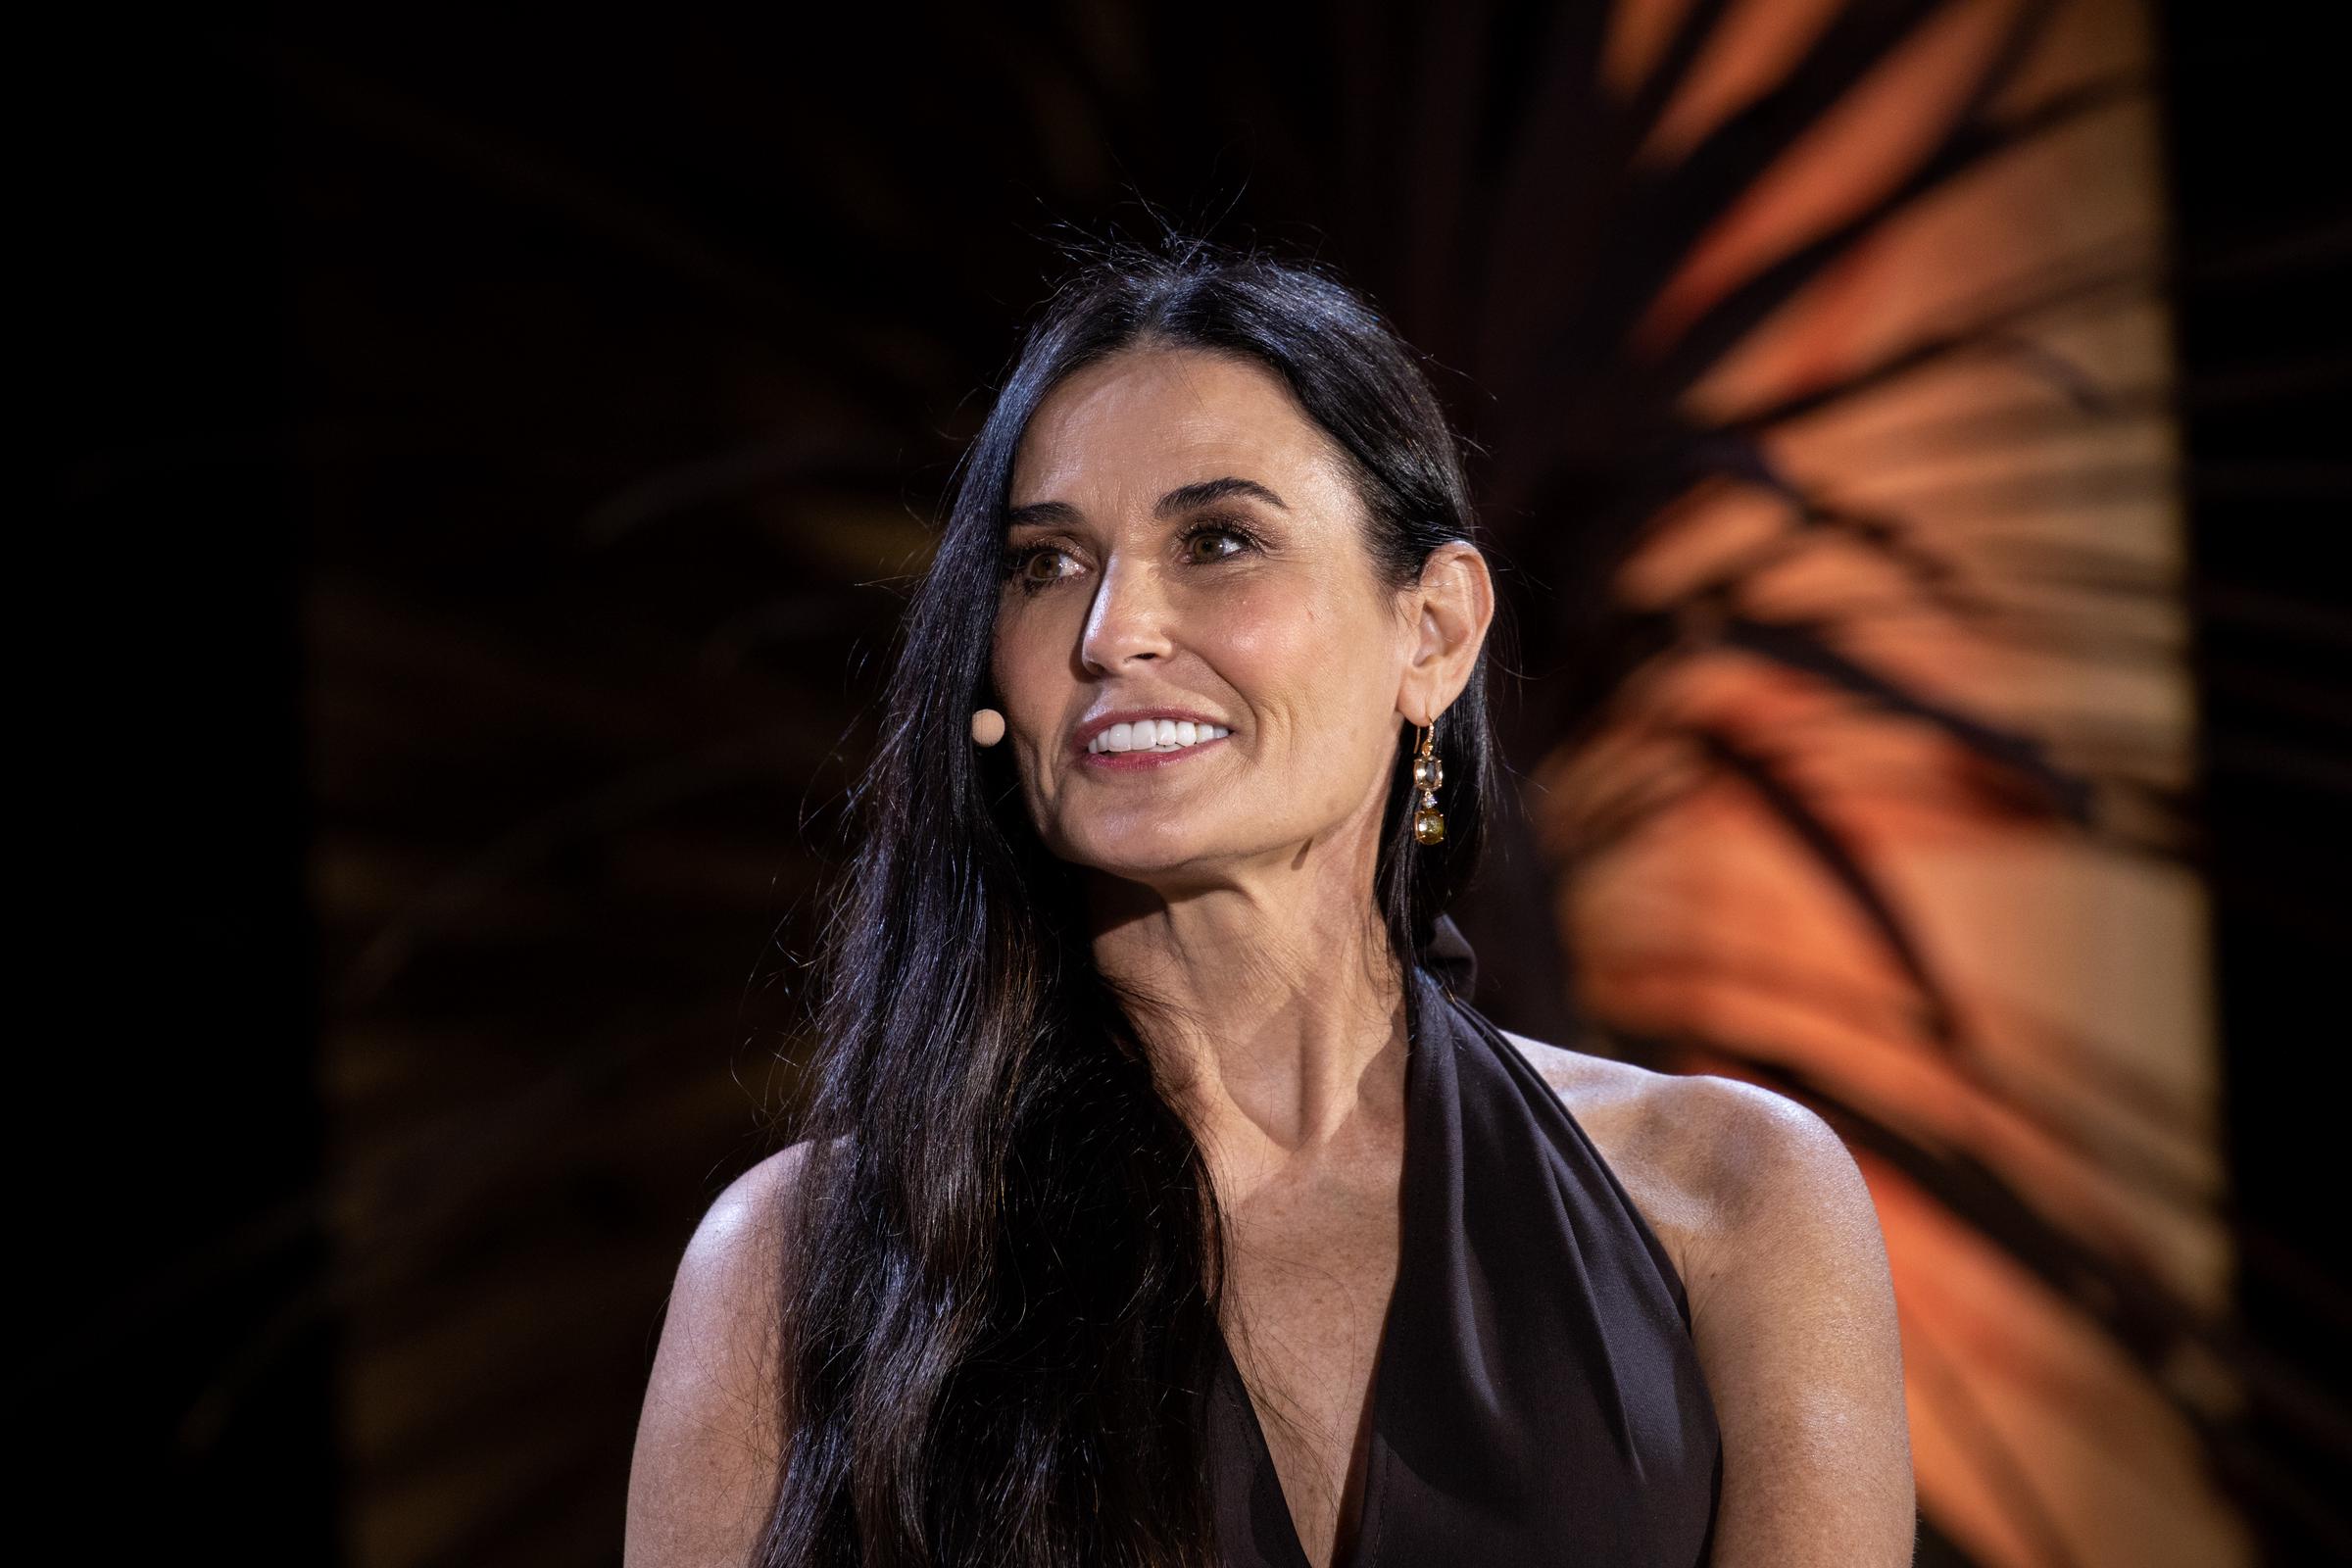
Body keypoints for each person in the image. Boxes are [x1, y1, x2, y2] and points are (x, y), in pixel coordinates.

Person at [624, 239, 1914, 1568]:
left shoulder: (1730, 1202)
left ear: (1435, 635)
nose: (1112, 631)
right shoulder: (792, 1273)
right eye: (1045, 562)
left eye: (1219, 540)